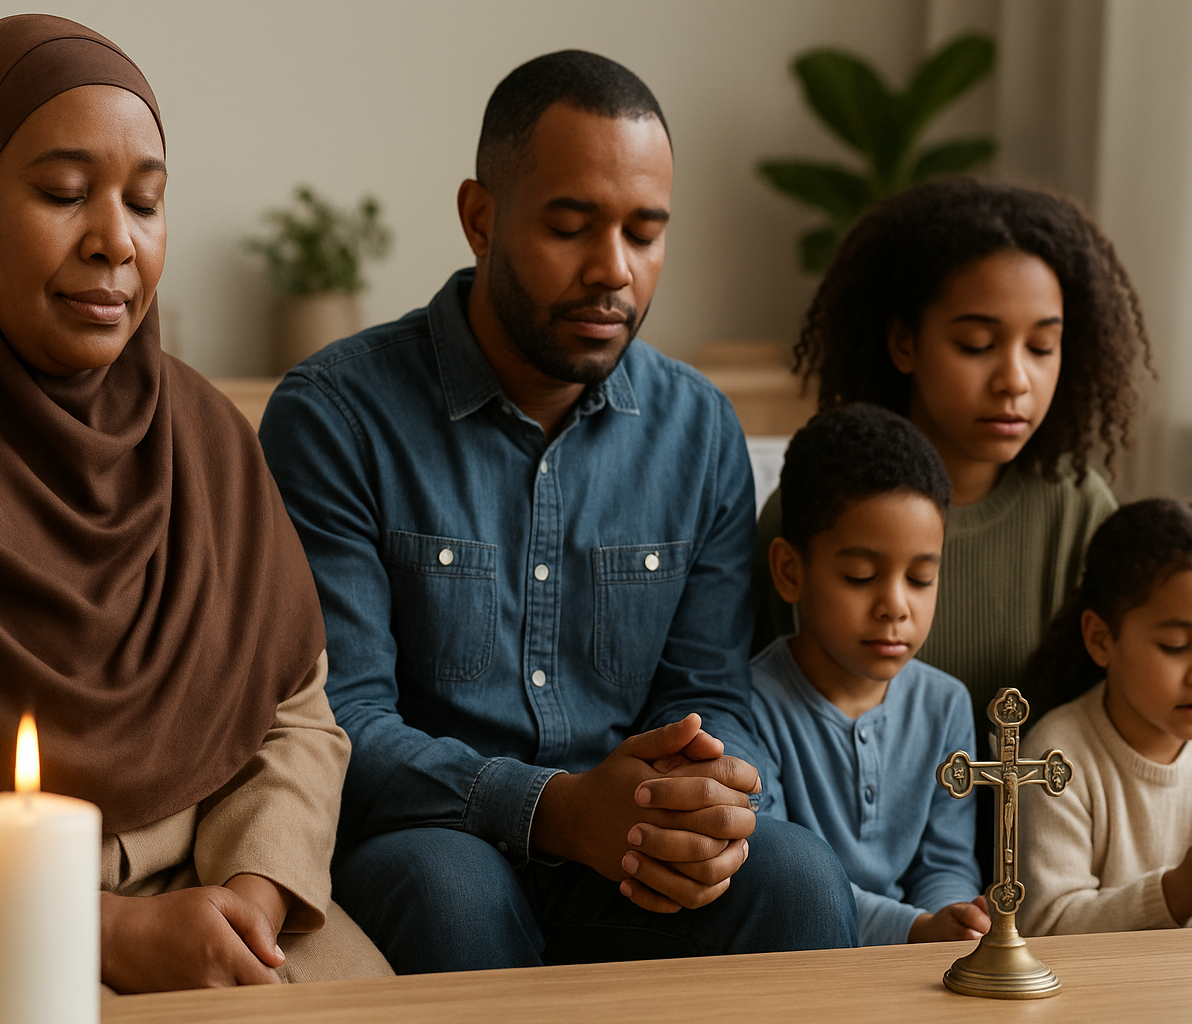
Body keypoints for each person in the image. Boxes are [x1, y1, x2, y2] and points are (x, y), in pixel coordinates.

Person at [0, 16, 388, 1016]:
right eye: (64, 193)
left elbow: (293, 716)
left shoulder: (201, 435)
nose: (115, 240)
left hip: (200, 902)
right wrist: (94, 928)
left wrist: (250, 894)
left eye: (145, 202)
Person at [260, 49, 857, 974]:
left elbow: (705, 693)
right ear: (480, 219)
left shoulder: (698, 430)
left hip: (622, 850)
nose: (613, 271)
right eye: (572, 227)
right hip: (424, 841)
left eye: (645, 232)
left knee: (797, 878)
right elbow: (343, 730)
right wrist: (556, 809)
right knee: (452, 888)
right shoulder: (337, 416)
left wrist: (707, 795)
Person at [753, 177, 1153, 720]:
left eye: (1042, 346)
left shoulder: (1078, 509)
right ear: (904, 343)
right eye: (977, 345)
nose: (1015, 379)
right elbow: (759, 703)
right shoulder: (813, 507)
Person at [751, 404, 987, 946]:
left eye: (922, 578)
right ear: (791, 571)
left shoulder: (946, 704)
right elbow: (783, 882)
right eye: (860, 576)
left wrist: (953, 918)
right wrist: (914, 929)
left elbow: (945, 861)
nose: (895, 606)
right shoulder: (752, 706)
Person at [1018, 499, 1192, 934]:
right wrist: (1176, 894)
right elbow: (1047, 927)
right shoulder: (1056, 756)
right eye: (1176, 645)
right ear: (1101, 639)